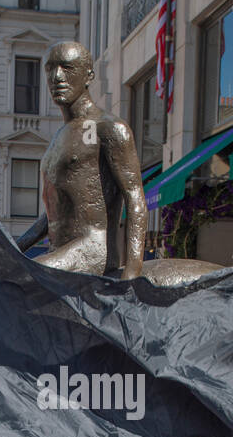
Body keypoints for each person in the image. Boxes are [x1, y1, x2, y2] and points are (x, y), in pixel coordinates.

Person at [14, 40, 147, 278]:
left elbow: (135, 198)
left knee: (24, 279)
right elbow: (52, 213)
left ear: (88, 76)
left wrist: (133, 271)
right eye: (50, 69)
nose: (57, 77)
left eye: (67, 68)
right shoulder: (58, 138)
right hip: (61, 252)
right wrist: (14, 246)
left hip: (93, 250)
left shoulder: (109, 128)